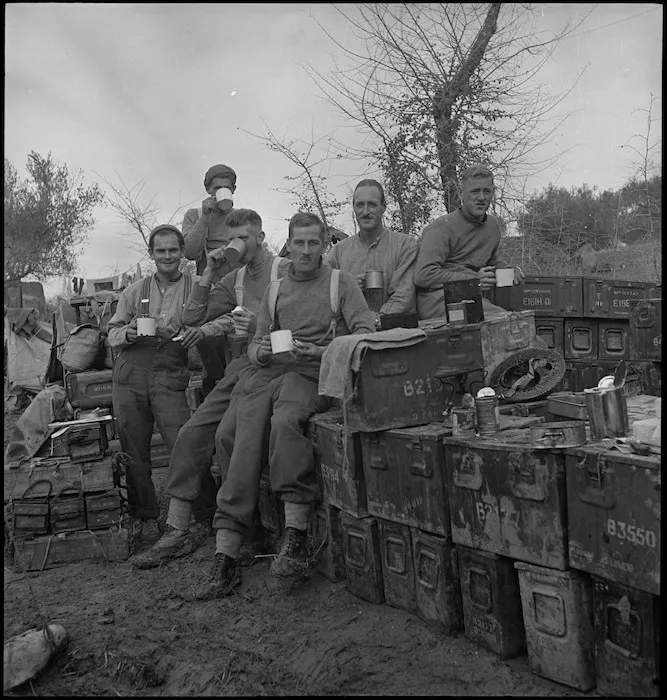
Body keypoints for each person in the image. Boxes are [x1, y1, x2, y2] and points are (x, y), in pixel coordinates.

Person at [194, 212, 376, 600]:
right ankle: (227, 549)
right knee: (232, 434)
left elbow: (365, 335)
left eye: (314, 243)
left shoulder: (340, 284)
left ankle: (295, 533)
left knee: (287, 422)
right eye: (299, 243)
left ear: (324, 244)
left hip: (313, 374)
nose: (306, 251)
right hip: (269, 374)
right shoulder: (277, 289)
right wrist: (259, 351)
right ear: (288, 246)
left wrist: (325, 351)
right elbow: (257, 346)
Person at [131, 209, 290, 569]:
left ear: (261, 238)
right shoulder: (233, 279)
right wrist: (207, 273)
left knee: (228, 438)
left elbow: (304, 322)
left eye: (245, 239)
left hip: (281, 368)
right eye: (232, 238)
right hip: (241, 368)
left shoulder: (285, 269)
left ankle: (248, 532)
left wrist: (261, 328)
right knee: (190, 434)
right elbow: (190, 319)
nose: (237, 245)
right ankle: (177, 530)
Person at [107, 224, 204, 547]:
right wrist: (128, 333)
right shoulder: (135, 291)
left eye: (173, 250)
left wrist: (197, 333)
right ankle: (145, 516)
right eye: (160, 250)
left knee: (183, 442)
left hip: (169, 371)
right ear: (151, 254)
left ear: (182, 254)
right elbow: (112, 333)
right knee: (134, 448)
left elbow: (215, 321)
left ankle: (199, 513)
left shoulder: (197, 288)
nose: (167, 256)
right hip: (131, 372)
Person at [413, 164, 524, 320]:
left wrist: (510, 270)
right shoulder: (441, 228)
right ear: (460, 193)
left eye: (486, 191)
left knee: (515, 324)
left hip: (472, 297)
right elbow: (423, 275)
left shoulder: (492, 227)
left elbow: (491, 260)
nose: (481, 198)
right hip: (437, 301)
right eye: (474, 191)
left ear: (493, 193)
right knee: (503, 323)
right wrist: (472, 280)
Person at [181, 163, 241, 396]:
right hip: (208, 289)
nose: (221, 192)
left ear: (233, 190)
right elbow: (190, 252)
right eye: (217, 188)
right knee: (208, 340)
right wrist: (204, 219)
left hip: (237, 288)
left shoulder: (240, 218)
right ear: (208, 189)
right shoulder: (195, 215)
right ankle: (213, 391)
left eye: (226, 188)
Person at [325, 179, 418, 328]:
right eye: (360, 205)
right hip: (352, 338)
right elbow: (324, 295)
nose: (366, 212)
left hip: (398, 335)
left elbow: (404, 296)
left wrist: (376, 321)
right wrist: (346, 288)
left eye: (372, 205)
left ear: (383, 207)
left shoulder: (405, 245)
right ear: (354, 208)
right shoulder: (337, 252)